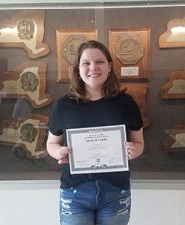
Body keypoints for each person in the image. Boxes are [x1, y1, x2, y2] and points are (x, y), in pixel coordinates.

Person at [47, 40, 144, 225]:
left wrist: (133, 150)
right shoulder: (64, 105)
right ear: (78, 68)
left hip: (115, 192)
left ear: (109, 66)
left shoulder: (126, 103)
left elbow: (139, 143)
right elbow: (51, 144)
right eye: (86, 63)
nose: (93, 68)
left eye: (99, 62)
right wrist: (58, 152)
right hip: (75, 193)